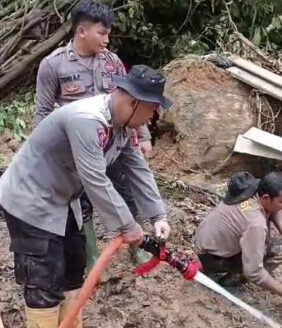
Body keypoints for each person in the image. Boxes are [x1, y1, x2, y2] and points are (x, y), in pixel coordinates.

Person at [0, 65, 174, 328]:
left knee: (72, 271)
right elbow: (95, 179)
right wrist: (128, 227)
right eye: (153, 109)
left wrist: (158, 215)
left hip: (63, 201)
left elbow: (137, 169)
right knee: (44, 280)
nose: (153, 118)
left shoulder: (122, 125)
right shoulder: (87, 120)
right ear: (134, 102)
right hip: (30, 200)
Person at [33, 0, 153, 269]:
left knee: (126, 191)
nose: (107, 39)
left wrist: (142, 135)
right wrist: (43, 153)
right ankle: (91, 256)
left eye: (109, 33)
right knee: (81, 200)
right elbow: (42, 112)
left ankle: (137, 247)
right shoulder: (53, 65)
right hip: (78, 148)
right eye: (102, 33)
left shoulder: (112, 62)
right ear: (81, 31)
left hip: (116, 141)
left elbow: (135, 98)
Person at [194, 171, 282, 303]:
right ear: (266, 198)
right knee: (280, 251)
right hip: (212, 258)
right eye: (281, 202)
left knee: (274, 243)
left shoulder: (253, 187)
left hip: (203, 240)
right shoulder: (256, 224)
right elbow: (253, 272)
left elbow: (276, 210)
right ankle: (231, 281)